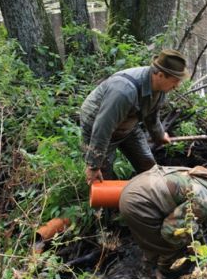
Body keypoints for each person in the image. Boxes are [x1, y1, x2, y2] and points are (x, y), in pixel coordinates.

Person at [118, 165, 207, 275]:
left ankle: (149, 262)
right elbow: (170, 230)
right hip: (138, 202)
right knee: (174, 244)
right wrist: (190, 246)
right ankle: (157, 273)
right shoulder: (205, 201)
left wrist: (201, 245)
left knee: (174, 236)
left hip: (137, 184)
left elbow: (190, 222)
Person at [80, 49, 189, 185]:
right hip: (97, 125)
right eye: (175, 81)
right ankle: (103, 205)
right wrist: (93, 165)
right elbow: (103, 127)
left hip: (127, 124)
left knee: (149, 166)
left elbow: (152, 116)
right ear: (160, 75)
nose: (177, 86)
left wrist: (159, 135)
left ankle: (150, 199)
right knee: (102, 179)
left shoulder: (160, 88)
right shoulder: (124, 91)